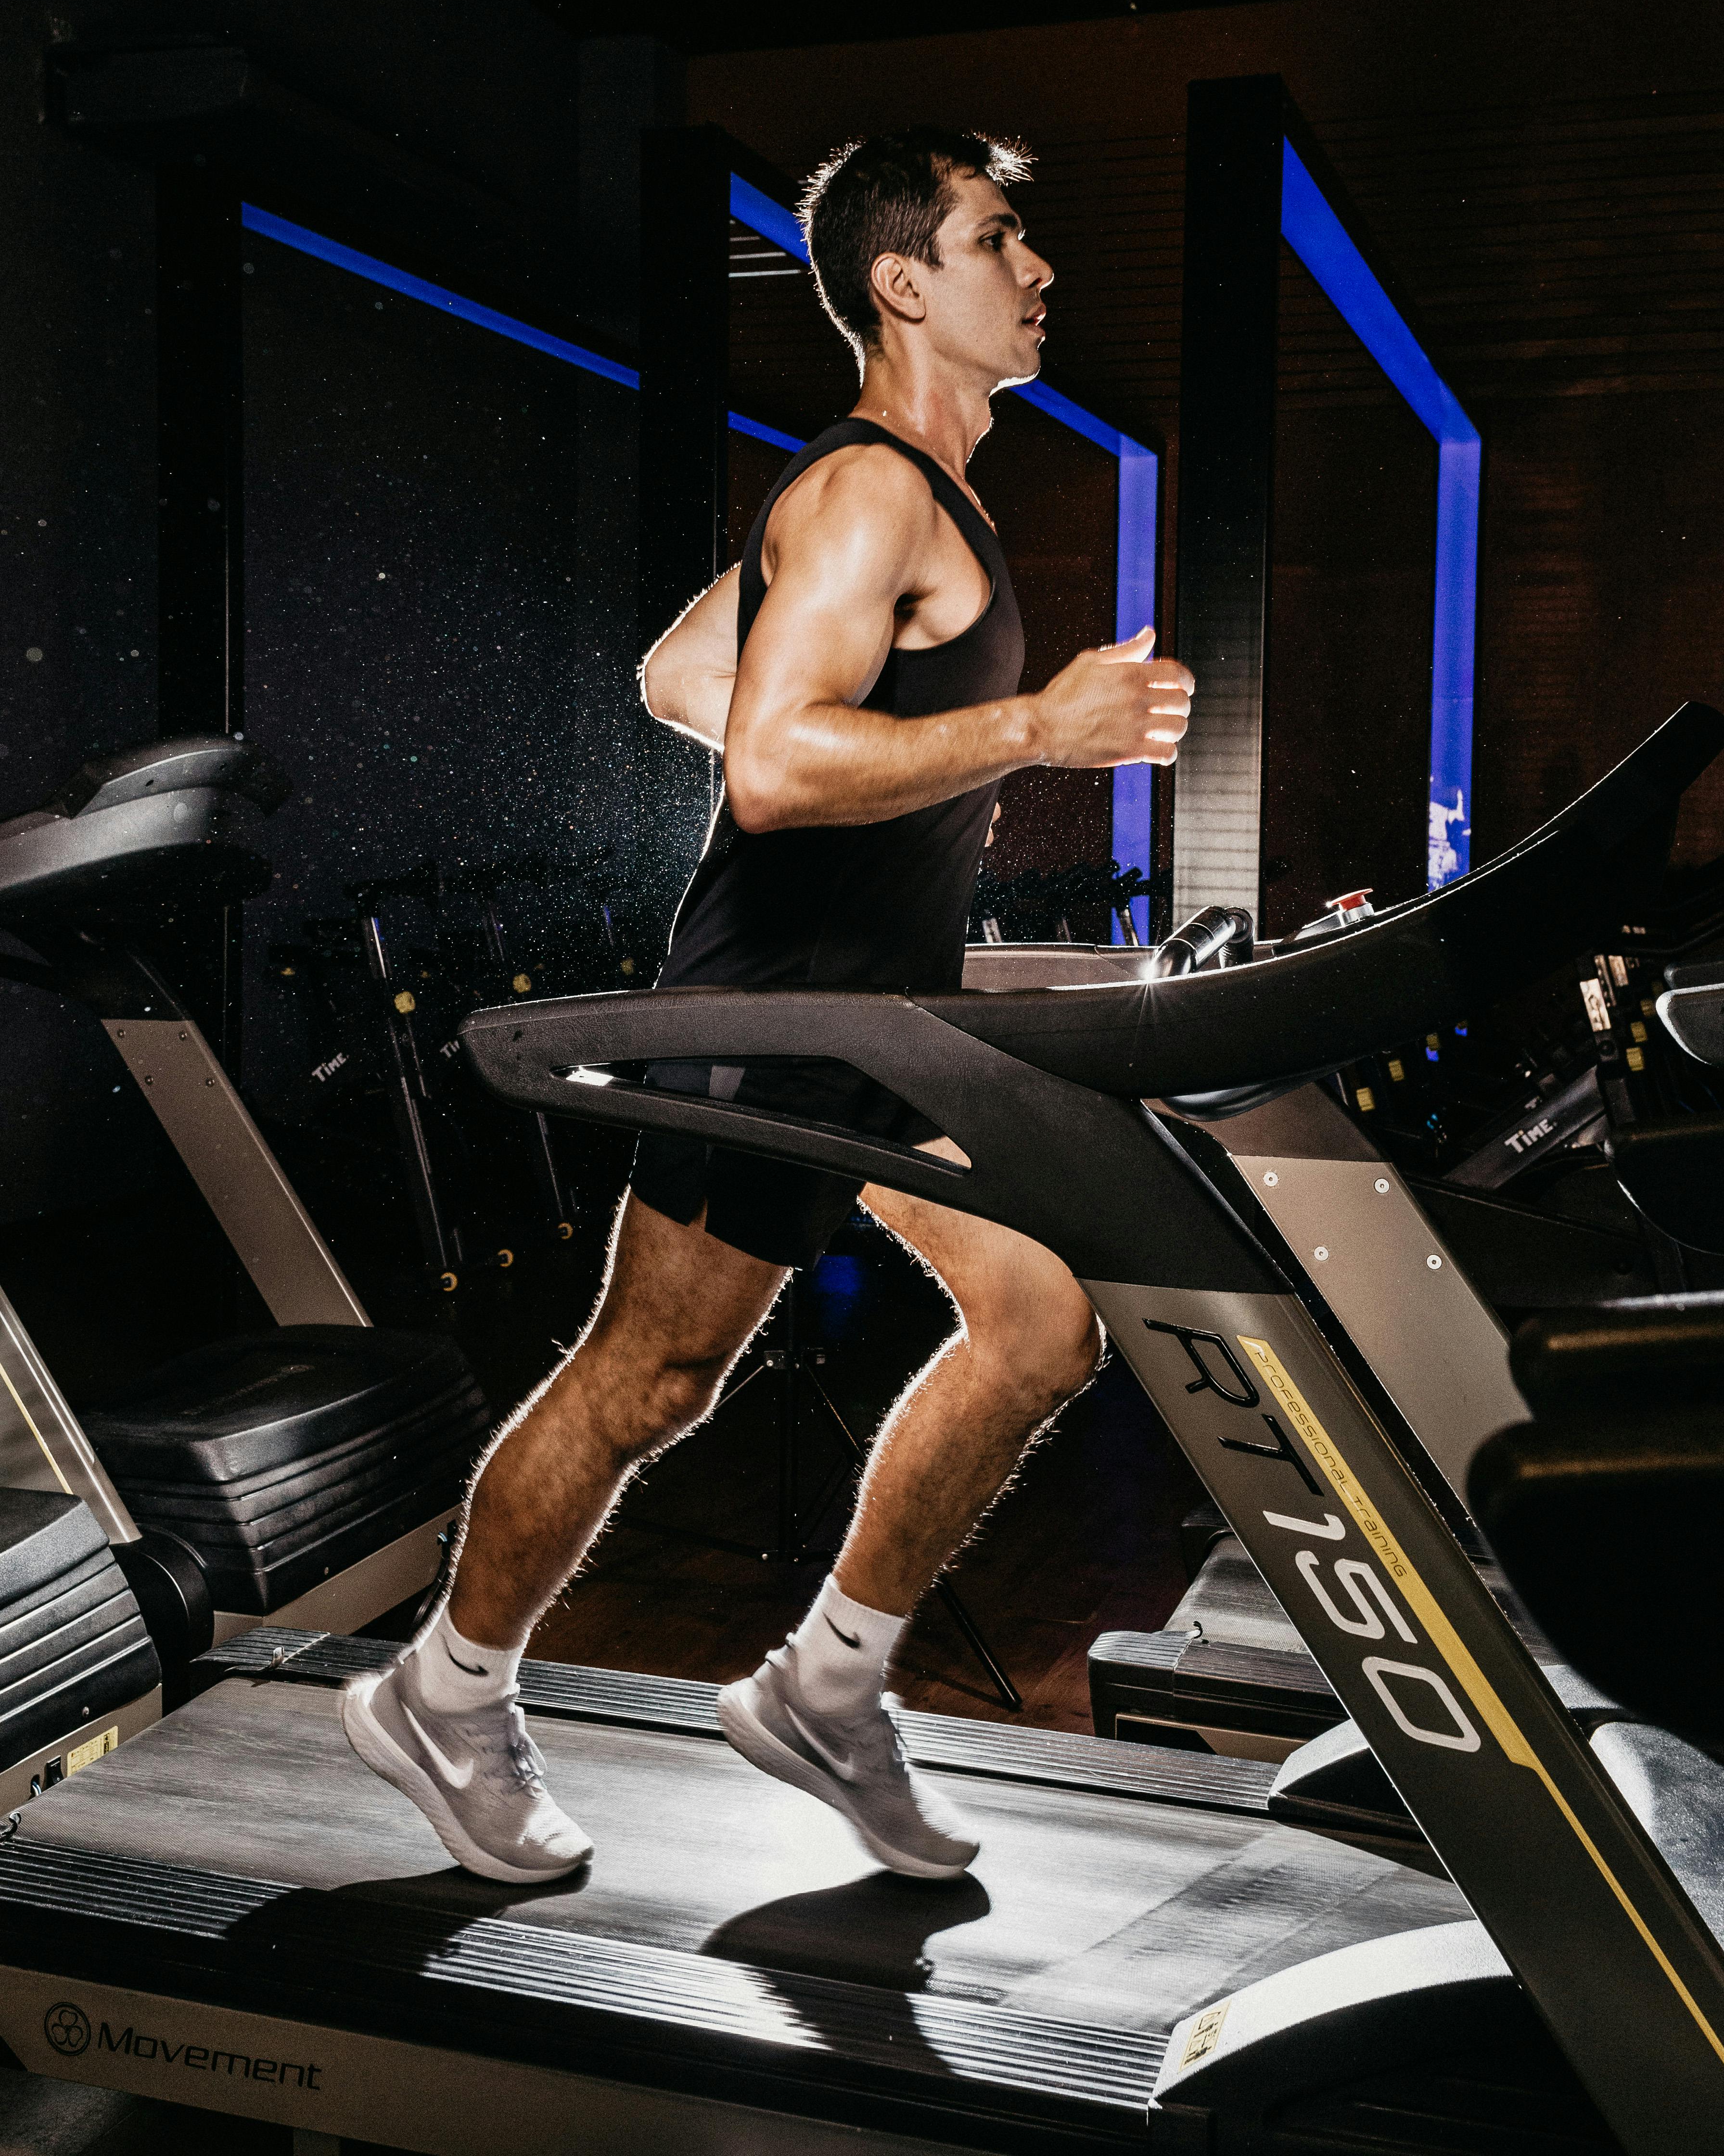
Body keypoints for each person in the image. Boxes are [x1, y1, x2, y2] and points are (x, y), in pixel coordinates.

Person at [343, 127, 1194, 1884]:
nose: (1037, 273)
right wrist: (1039, 725)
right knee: (652, 1382)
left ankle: (826, 1685)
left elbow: (684, 674)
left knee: (1040, 1326)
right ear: (905, 283)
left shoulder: (899, 501)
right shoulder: (870, 488)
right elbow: (778, 770)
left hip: (876, 1018)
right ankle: (445, 1690)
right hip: (777, 1010)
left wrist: (842, 696)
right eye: (999, 239)